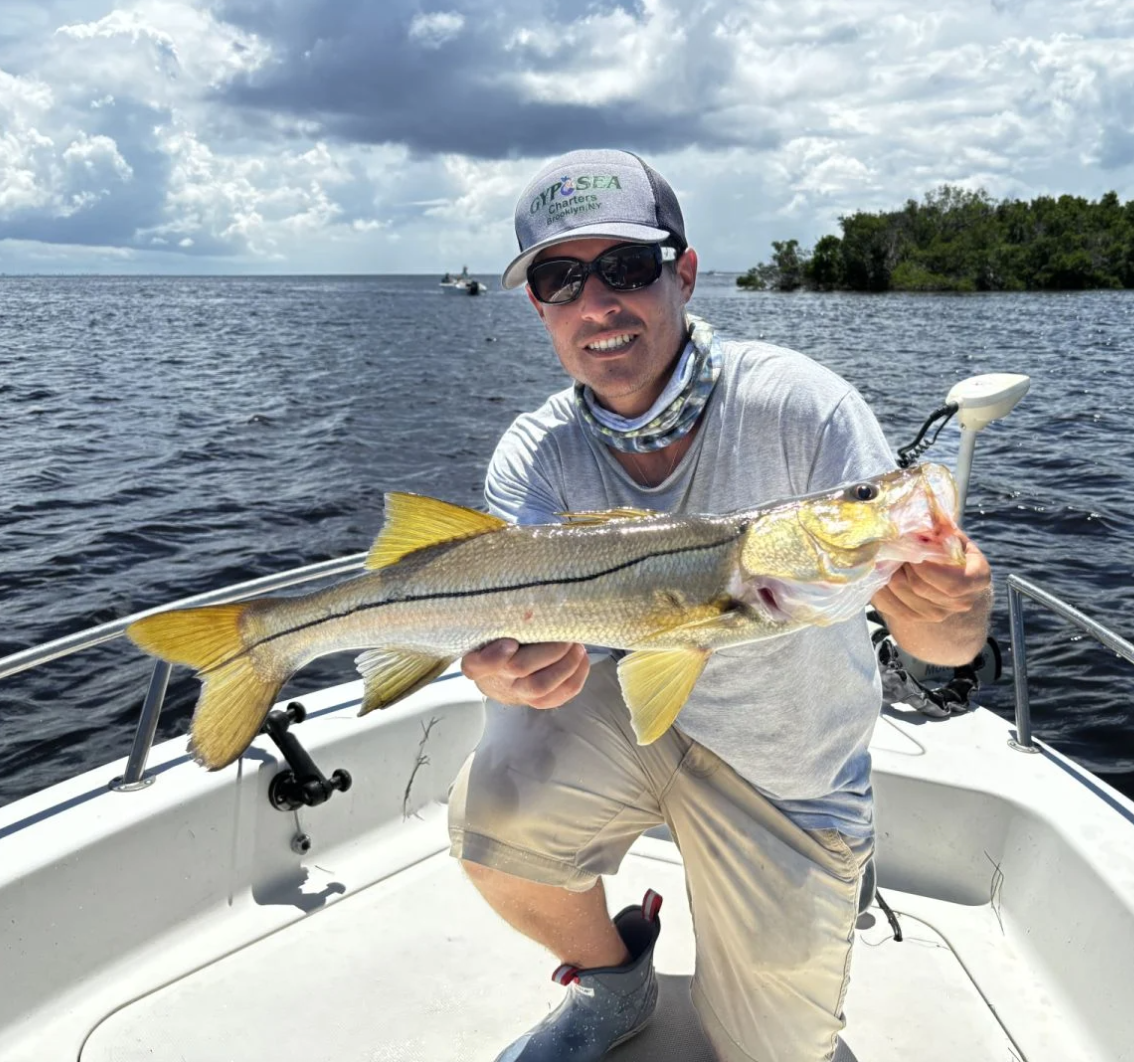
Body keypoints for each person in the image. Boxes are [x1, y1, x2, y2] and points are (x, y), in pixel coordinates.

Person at [447, 148, 992, 1062]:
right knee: (493, 815)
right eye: (561, 278)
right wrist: (494, 665)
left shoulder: (807, 409)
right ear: (539, 307)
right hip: (633, 713)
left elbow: (937, 646)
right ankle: (615, 983)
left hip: (790, 766)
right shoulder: (533, 453)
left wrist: (955, 604)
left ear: (684, 274)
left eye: (626, 269)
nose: (598, 304)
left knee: (775, 1052)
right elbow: (499, 633)